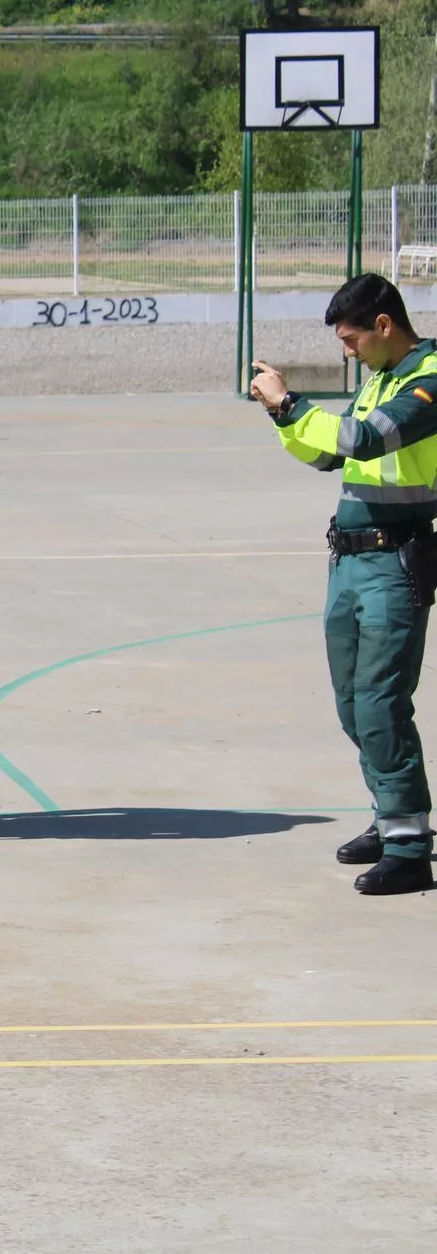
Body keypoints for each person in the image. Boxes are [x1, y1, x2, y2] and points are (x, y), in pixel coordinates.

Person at [251, 273, 437, 895]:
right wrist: (282, 416)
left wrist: (292, 404)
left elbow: (365, 438)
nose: (348, 352)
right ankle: (389, 819)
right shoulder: (379, 379)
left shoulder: (428, 379)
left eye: (352, 339)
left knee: (382, 703)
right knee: (353, 704)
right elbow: (329, 456)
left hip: (394, 562)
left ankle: (409, 848)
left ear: (384, 325)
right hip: (351, 563)